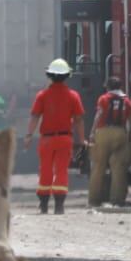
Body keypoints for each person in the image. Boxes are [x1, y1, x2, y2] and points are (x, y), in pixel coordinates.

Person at [24, 58, 85, 214]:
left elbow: (35, 116)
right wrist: (81, 139)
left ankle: (43, 205)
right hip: (65, 139)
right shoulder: (73, 96)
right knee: (61, 170)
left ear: (49, 75)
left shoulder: (42, 95)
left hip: (46, 139)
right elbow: (78, 120)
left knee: (45, 170)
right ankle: (59, 206)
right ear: (67, 76)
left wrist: (29, 135)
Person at [87, 76, 131, 209]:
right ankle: (117, 200)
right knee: (119, 167)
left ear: (107, 87)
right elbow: (130, 121)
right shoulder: (127, 101)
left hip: (103, 132)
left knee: (98, 167)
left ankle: (94, 200)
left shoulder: (103, 99)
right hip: (120, 133)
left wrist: (92, 133)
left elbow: (99, 115)